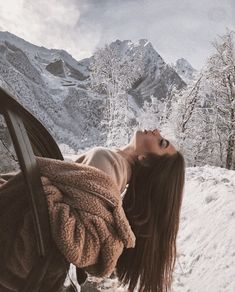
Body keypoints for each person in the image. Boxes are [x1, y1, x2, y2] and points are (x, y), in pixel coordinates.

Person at [75, 128, 185, 292]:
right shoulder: (114, 167)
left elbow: (76, 225)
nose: (157, 131)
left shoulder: (107, 163)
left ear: (145, 160)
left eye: (162, 143)